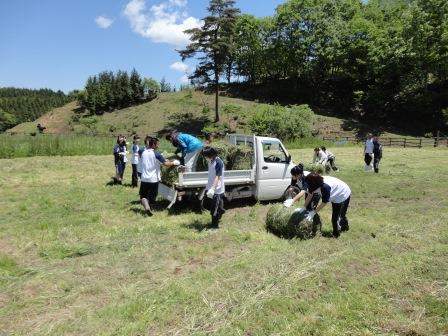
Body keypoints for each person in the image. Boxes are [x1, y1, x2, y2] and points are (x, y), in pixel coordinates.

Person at [139, 136, 180, 216]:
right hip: (153, 179)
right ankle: (150, 208)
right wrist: (174, 163)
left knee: (143, 196)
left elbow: (160, 161)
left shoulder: (143, 152)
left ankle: (146, 206)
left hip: (144, 178)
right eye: (157, 144)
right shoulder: (156, 154)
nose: (158, 145)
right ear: (153, 145)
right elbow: (165, 164)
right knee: (152, 196)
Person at [301, 173, 351, 238]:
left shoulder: (325, 187)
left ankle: (336, 234)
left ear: (313, 183)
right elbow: (310, 194)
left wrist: (313, 212)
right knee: (339, 215)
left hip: (341, 193)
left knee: (335, 218)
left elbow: (324, 202)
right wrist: (304, 207)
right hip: (335, 189)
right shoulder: (314, 184)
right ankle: (344, 227)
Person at [203, 146, 226, 229]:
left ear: (211, 154)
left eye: (206, 156)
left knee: (214, 209)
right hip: (210, 187)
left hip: (217, 189)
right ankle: (221, 210)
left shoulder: (218, 162)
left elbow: (218, 176)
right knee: (206, 205)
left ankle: (214, 226)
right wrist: (209, 187)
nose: (205, 157)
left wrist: (213, 188)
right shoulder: (210, 161)